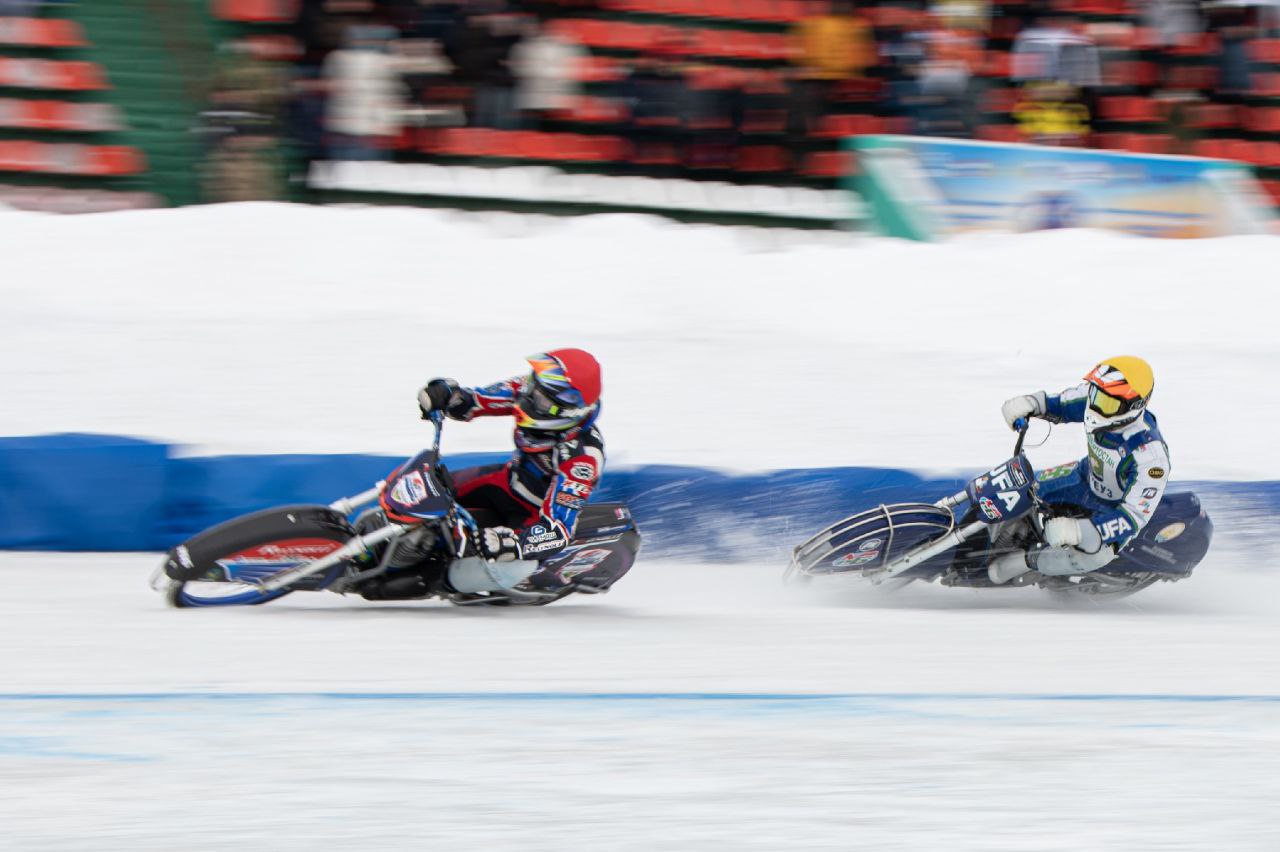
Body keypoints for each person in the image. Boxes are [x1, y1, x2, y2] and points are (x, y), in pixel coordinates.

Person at [987, 356, 1170, 585]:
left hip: (1111, 510)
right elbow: (1061, 403)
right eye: (1095, 395)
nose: (1094, 407)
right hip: (1084, 476)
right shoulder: (1097, 398)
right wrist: (1031, 403)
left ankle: (1023, 563)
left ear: (1133, 407)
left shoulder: (1151, 457)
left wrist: (1078, 531)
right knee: (1025, 489)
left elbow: (1132, 517)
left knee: (1094, 555)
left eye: (1107, 403)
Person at [417, 348, 603, 566]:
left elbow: (559, 529)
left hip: (534, 515)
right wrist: (450, 397)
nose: (529, 395)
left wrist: (512, 544)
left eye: (541, 398)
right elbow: (477, 400)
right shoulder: (534, 391)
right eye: (533, 386)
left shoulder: (582, 459)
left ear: (565, 411)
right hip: (507, 480)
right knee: (429, 488)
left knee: (474, 564)